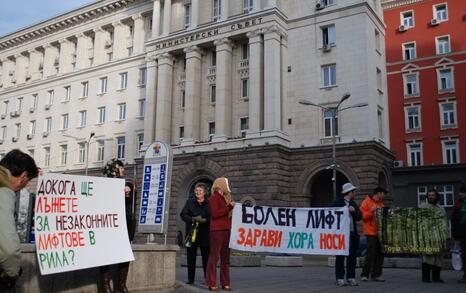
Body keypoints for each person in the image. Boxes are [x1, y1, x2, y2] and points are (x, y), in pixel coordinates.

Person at [0, 149, 38, 290]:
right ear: (23, 176)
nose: (23, 188)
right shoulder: (3, 190)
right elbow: (8, 249)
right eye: (26, 182)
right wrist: (12, 274)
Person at [100, 158, 134, 293]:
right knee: (105, 254)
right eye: (120, 167)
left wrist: (128, 193)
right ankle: (105, 285)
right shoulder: (102, 184)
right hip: (106, 225)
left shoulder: (125, 184)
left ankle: (121, 285)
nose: (123, 170)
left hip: (122, 224)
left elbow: (129, 204)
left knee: (125, 254)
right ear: (113, 169)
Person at [205, 177, 235, 291]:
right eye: (226, 183)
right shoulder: (214, 198)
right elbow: (215, 214)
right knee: (214, 257)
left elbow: (226, 215)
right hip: (217, 231)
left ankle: (225, 282)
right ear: (221, 185)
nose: (228, 186)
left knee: (225, 258)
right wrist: (229, 207)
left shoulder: (225, 198)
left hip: (226, 230)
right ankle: (212, 283)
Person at [331, 182, 362, 286]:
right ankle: (339, 277)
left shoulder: (353, 204)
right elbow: (330, 214)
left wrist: (354, 211)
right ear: (349, 192)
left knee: (352, 257)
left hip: (352, 234)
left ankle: (351, 277)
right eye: (354, 191)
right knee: (340, 257)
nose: (355, 193)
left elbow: (359, 217)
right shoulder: (337, 202)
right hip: (341, 235)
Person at [180, 183, 210, 285]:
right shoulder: (190, 202)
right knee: (191, 257)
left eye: (200, 191)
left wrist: (205, 220)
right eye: (196, 190)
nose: (198, 192)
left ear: (204, 192)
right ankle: (190, 279)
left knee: (206, 257)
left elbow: (212, 217)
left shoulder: (209, 203)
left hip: (205, 234)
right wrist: (192, 219)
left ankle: (207, 278)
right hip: (192, 233)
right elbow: (183, 214)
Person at [420, 189, 447, 283]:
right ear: (427, 197)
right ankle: (425, 278)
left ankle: (436, 277)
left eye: (433, 195)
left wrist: (445, 236)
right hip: (427, 236)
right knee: (427, 257)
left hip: (439, 237)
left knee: (438, 258)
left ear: (436, 196)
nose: (431, 197)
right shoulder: (423, 207)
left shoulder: (441, 208)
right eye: (429, 195)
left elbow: (444, 222)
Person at [360, 186, 386, 282]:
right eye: (383, 193)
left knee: (380, 253)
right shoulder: (366, 202)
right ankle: (364, 274)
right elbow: (362, 216)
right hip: (370, 232)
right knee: (370, 254)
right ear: (378, 193)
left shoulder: (381, 204)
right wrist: (371, 211)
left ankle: (376, 275)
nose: (383, 195)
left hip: (380, 232)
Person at [451, 183, 466, 283]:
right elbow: (454, 220)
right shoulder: (458, 204)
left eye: (463, 192)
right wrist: (455, 236)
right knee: (464, 255)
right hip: (462, 234)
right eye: (460, 192)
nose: (460, 194)